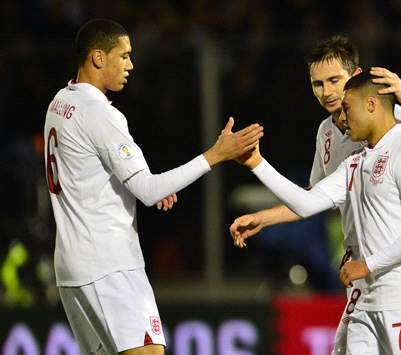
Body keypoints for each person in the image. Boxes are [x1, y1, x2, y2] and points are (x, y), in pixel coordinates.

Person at [44, 18, 263, 355]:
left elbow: (87, 173)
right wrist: (217, 154)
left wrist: (139, 185)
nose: (131, 65)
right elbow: (150, 190)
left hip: (72, 268)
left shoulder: (59, 103)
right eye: (124, 56)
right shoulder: (100, 114)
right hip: (109, 265)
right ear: (99, 57)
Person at [230, 35, 401, 354]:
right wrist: (259, 182)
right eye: (318, 84)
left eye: (335, 81)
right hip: (363, 278)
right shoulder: (341, 147)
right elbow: (311, 198)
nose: (327, 92)